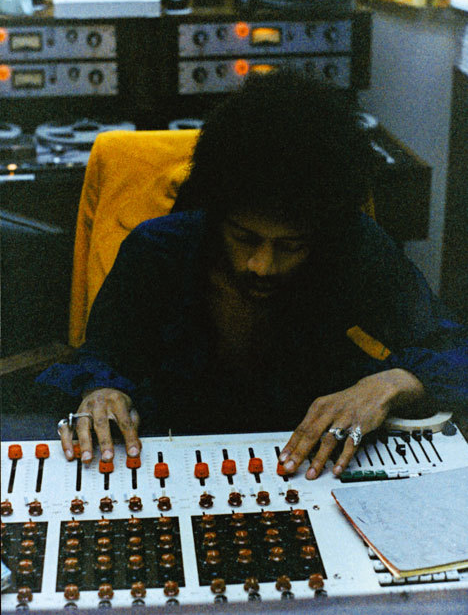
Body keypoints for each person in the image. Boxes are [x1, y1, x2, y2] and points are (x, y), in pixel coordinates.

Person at [37, 68, 468, 480]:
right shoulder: (158, 249)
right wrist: (98, 392)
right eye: (244, 238)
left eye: (290, 246)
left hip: (315, 464)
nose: (261, 265)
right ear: (216, 212)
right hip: (171, 455)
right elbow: (99, 356)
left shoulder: (353, 245)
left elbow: (454, 349)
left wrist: (397, 381)